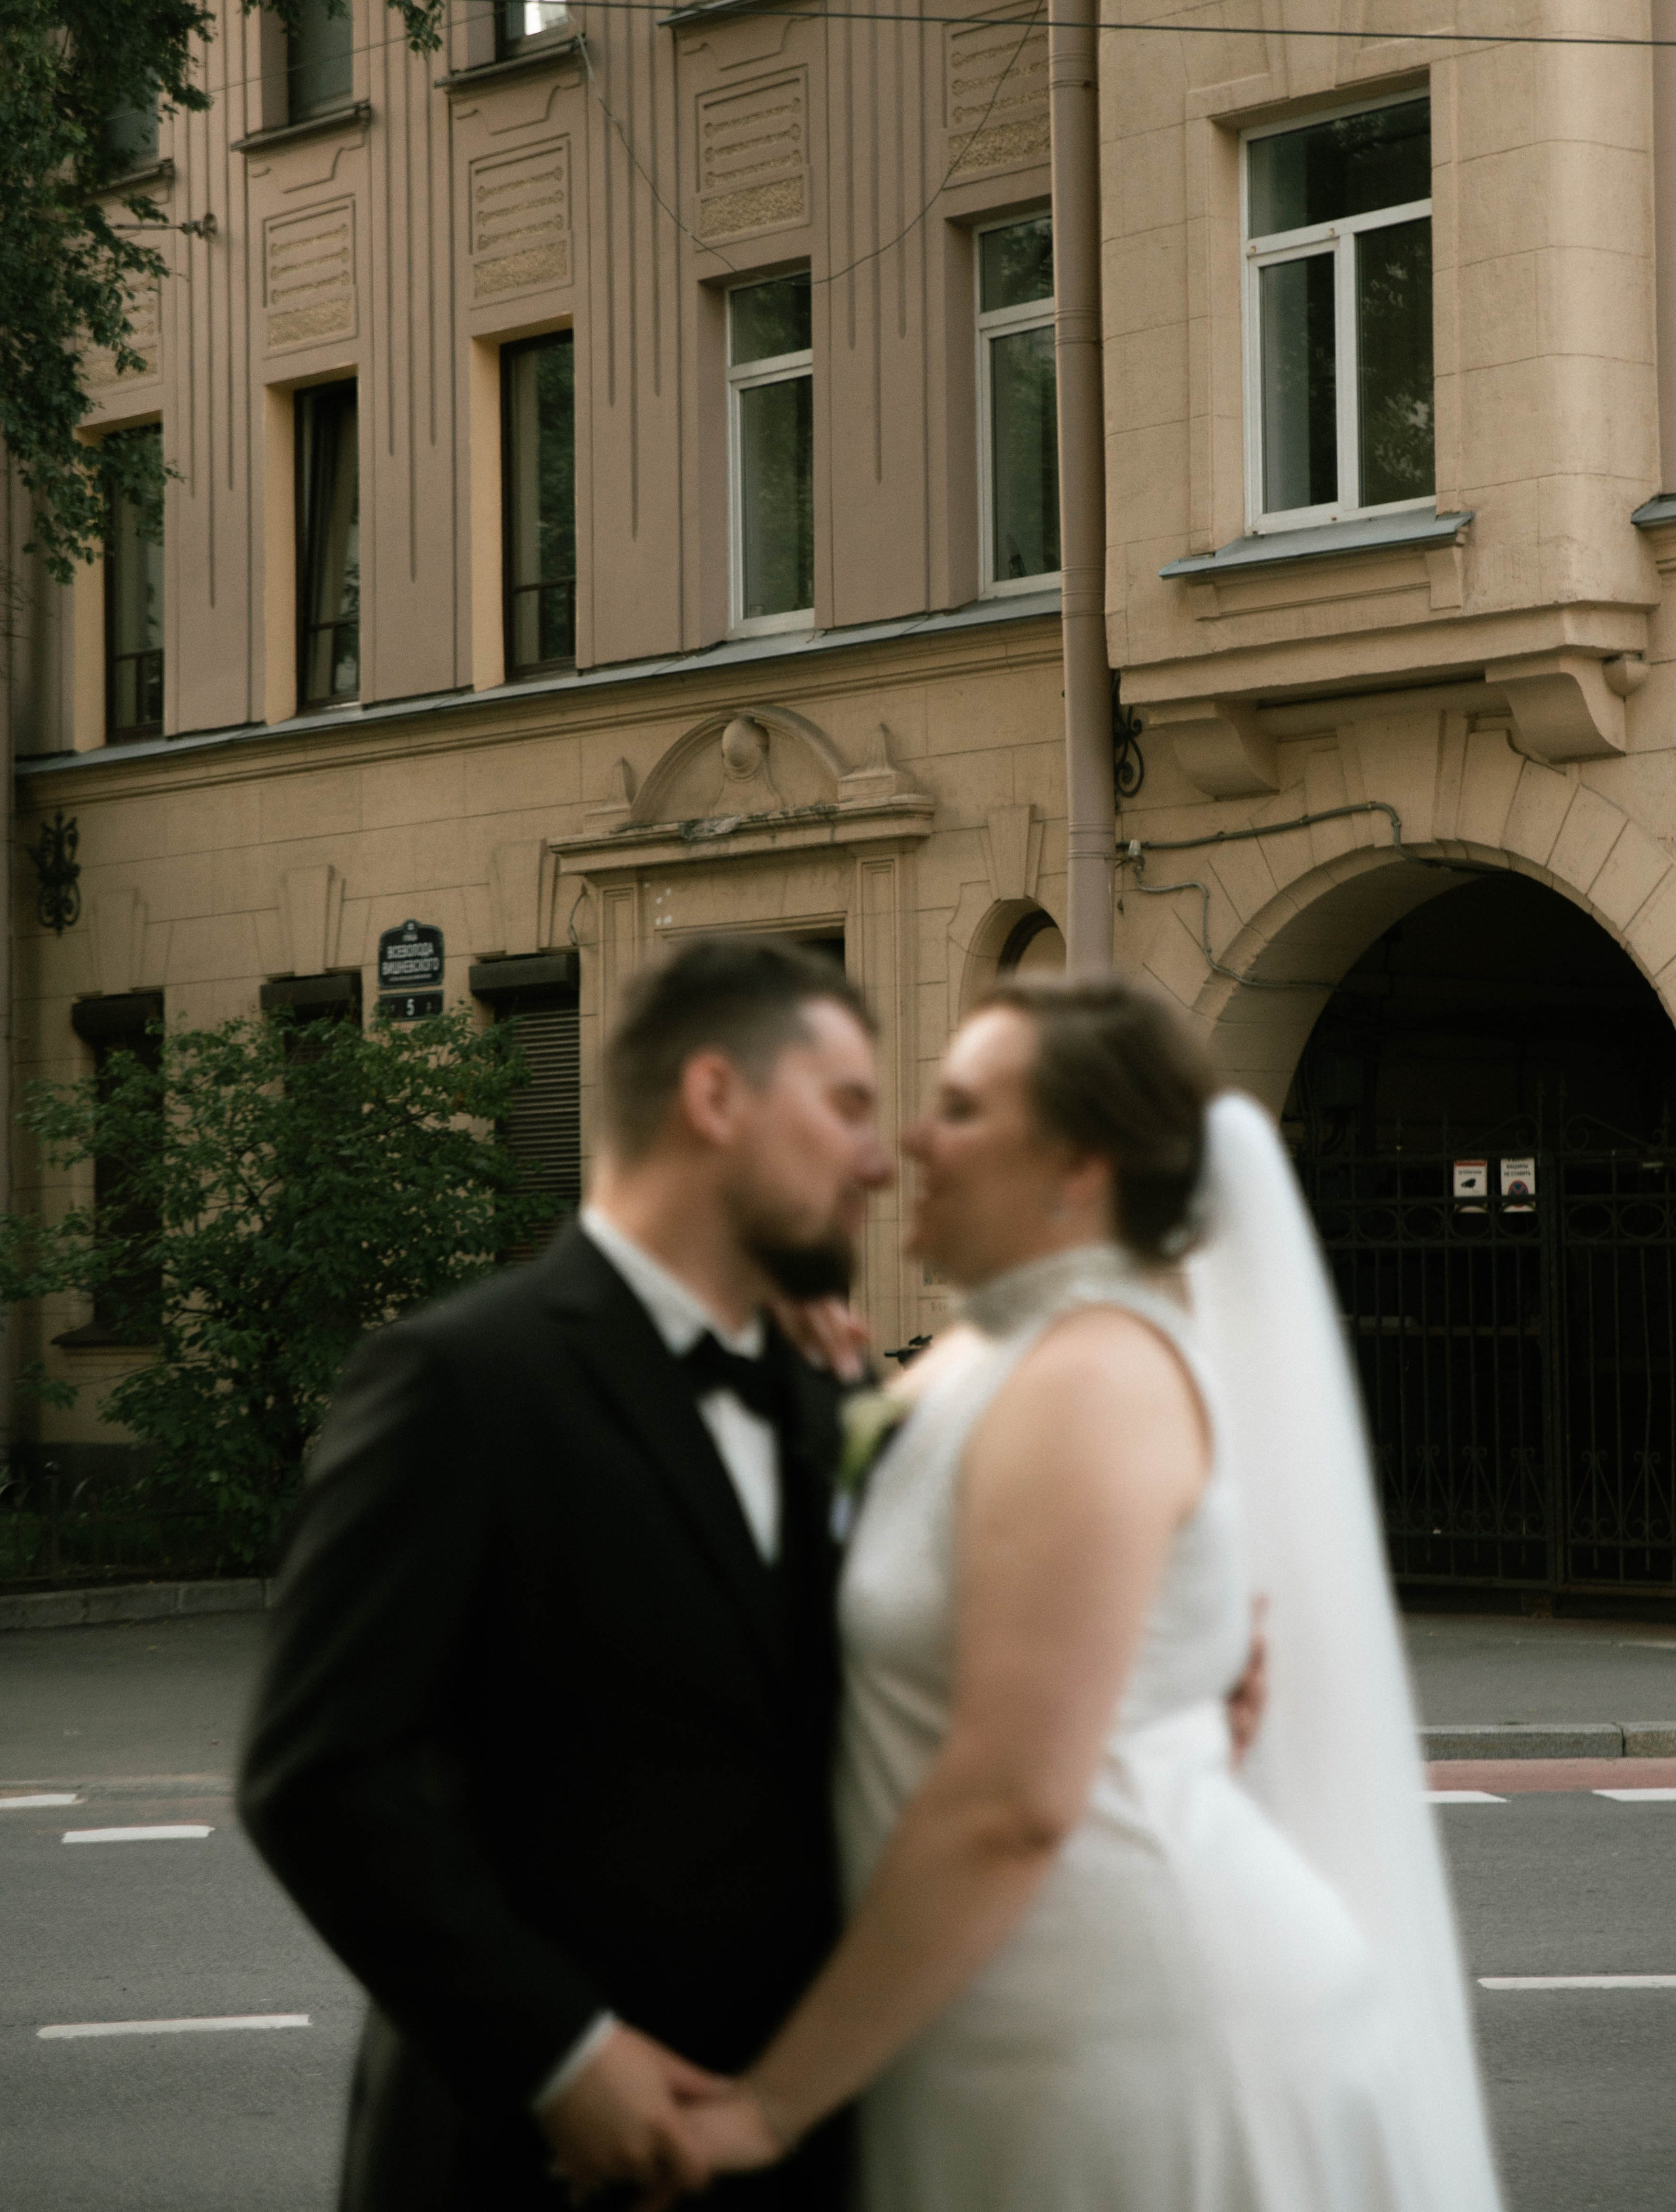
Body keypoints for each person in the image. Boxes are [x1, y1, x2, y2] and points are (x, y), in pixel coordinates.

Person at [678, 976, 1504, 2212]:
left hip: (1136, 2035)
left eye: (959, 1109)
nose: (910, 1141)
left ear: (1078, 1167)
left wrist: (768, 2108)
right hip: (1014, 2021)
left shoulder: (1094, 1377)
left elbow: (1012, 1800)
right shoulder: (977, 1356)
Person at [237, 934, 892, 2212]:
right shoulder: (458, 1383)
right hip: (522, 2161)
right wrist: (557, 2052)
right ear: (715, 1097)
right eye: (848, 1104)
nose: (878, 1156)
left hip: (794, 2154)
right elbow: (315, 1769)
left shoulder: (826, 1399)